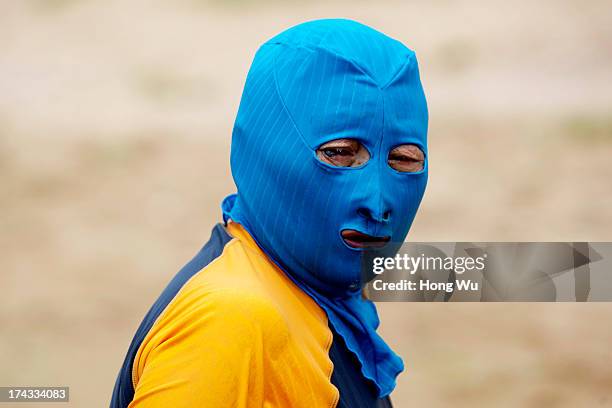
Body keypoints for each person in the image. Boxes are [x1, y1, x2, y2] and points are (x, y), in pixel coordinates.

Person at [111, 18, 428, 408]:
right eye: (340, 154)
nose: (378, 204)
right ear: (265, 148)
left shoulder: (319, 298)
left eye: (404, 161)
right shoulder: (229, 322)